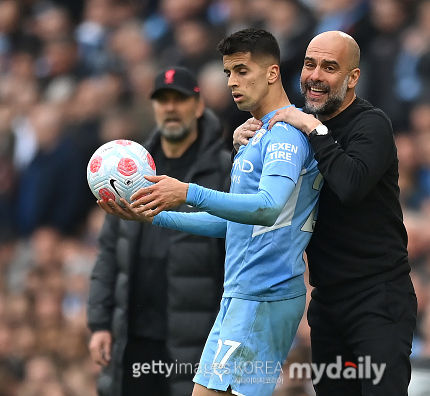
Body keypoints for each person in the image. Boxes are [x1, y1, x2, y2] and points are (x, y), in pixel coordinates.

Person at [98, 28, 321, 396]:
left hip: (263, 294)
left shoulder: (285, 134)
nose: (232, 82)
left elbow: (268, 208)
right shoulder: (256, 134)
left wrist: (188, 192)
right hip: (242, 295)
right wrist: (153, 216)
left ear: (272, 73)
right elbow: (233, 225)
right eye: (228, 73)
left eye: (242, 70)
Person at [235, 30, 418, 395]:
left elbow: (350, 185)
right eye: (309, 64)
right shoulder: (297, 128)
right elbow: (265, 198)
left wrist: (313, 128)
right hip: (327, 302)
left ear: (353, 78)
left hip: (378, 297)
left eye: (329, 67)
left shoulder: (371, 124)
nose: (315, 75)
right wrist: (244, 148)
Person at [87, 66, 231, 396]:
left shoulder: (224, 170)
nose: (170, 107)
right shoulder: (127, 170)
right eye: (162, 100)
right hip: (133, 336)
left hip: (195, 338)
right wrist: (99, 323)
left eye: (178, 99)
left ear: (198, 107)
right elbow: (109, 253)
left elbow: (234, 250)